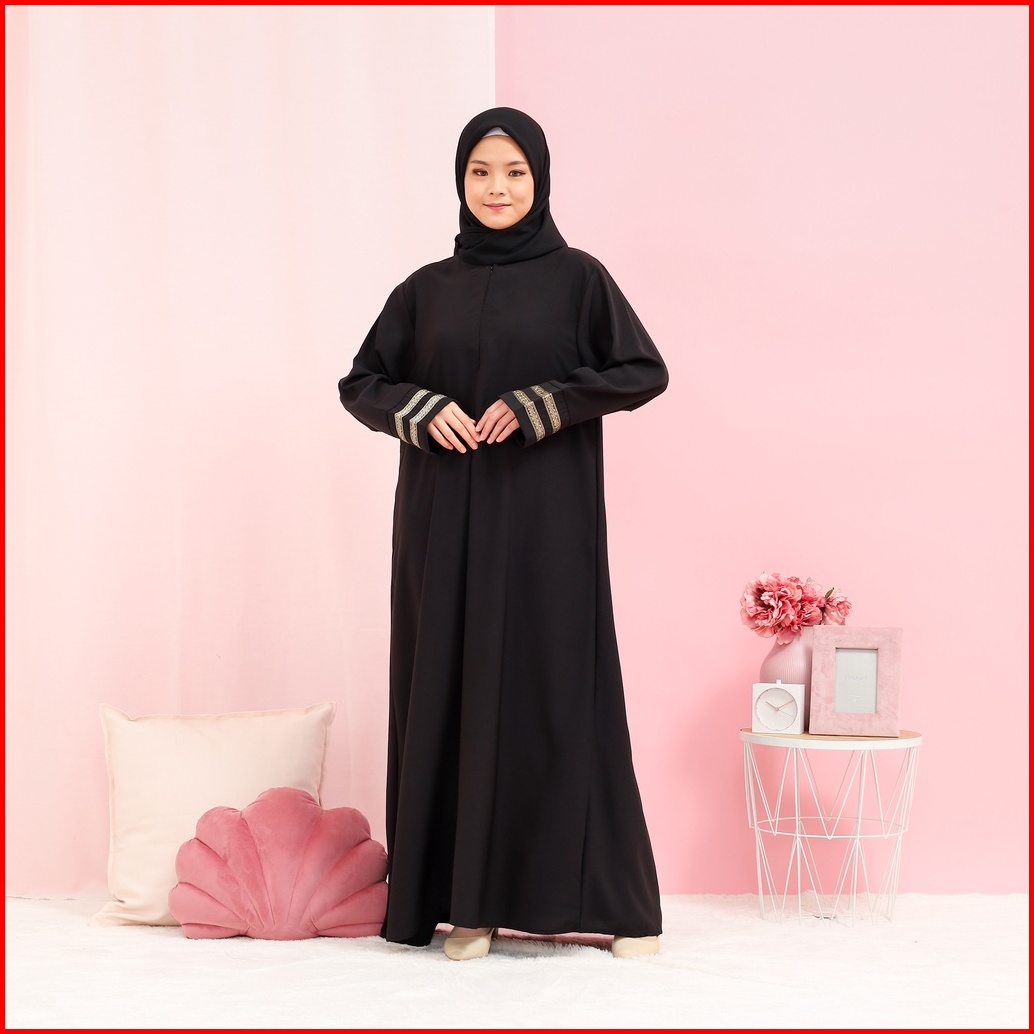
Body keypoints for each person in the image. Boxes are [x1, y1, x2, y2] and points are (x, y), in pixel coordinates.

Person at [338, 107, 668, 961]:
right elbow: (362, 382)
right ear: (460, 181)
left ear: (541, 179)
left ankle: (614, 906)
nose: (497, 188)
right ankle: (467, 903)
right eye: (481, 172)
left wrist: (543, 403)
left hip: (546, 522)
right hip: (442, 525)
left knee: (556, 689)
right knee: (452, 685)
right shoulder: (425, 290)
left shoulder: (580, 279)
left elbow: (642, 370)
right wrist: (420, 409)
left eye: (514, 172)